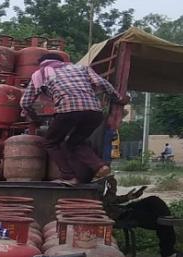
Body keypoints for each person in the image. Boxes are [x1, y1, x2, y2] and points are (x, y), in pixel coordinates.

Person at [20, 53, 128, 185]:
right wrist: (117, 98)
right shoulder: (81, 68)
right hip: (94, 112)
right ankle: (100, 166)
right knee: (74, 143)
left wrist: (34, 117)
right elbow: (101, 82)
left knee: (50, 142)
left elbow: (25, 102)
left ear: (41, 63)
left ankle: (68, 177)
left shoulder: (40, 74)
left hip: (68, 111)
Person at [104, 176, 178, 257]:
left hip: (123, 210)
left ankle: (166, 218)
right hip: (118, 215)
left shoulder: (102, 183)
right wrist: (112, 188)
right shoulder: (93, 186)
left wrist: (129, 197)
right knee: (162, 222)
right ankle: (168, 251)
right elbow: (104, 204)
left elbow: (111, 201)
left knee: (153, 200)